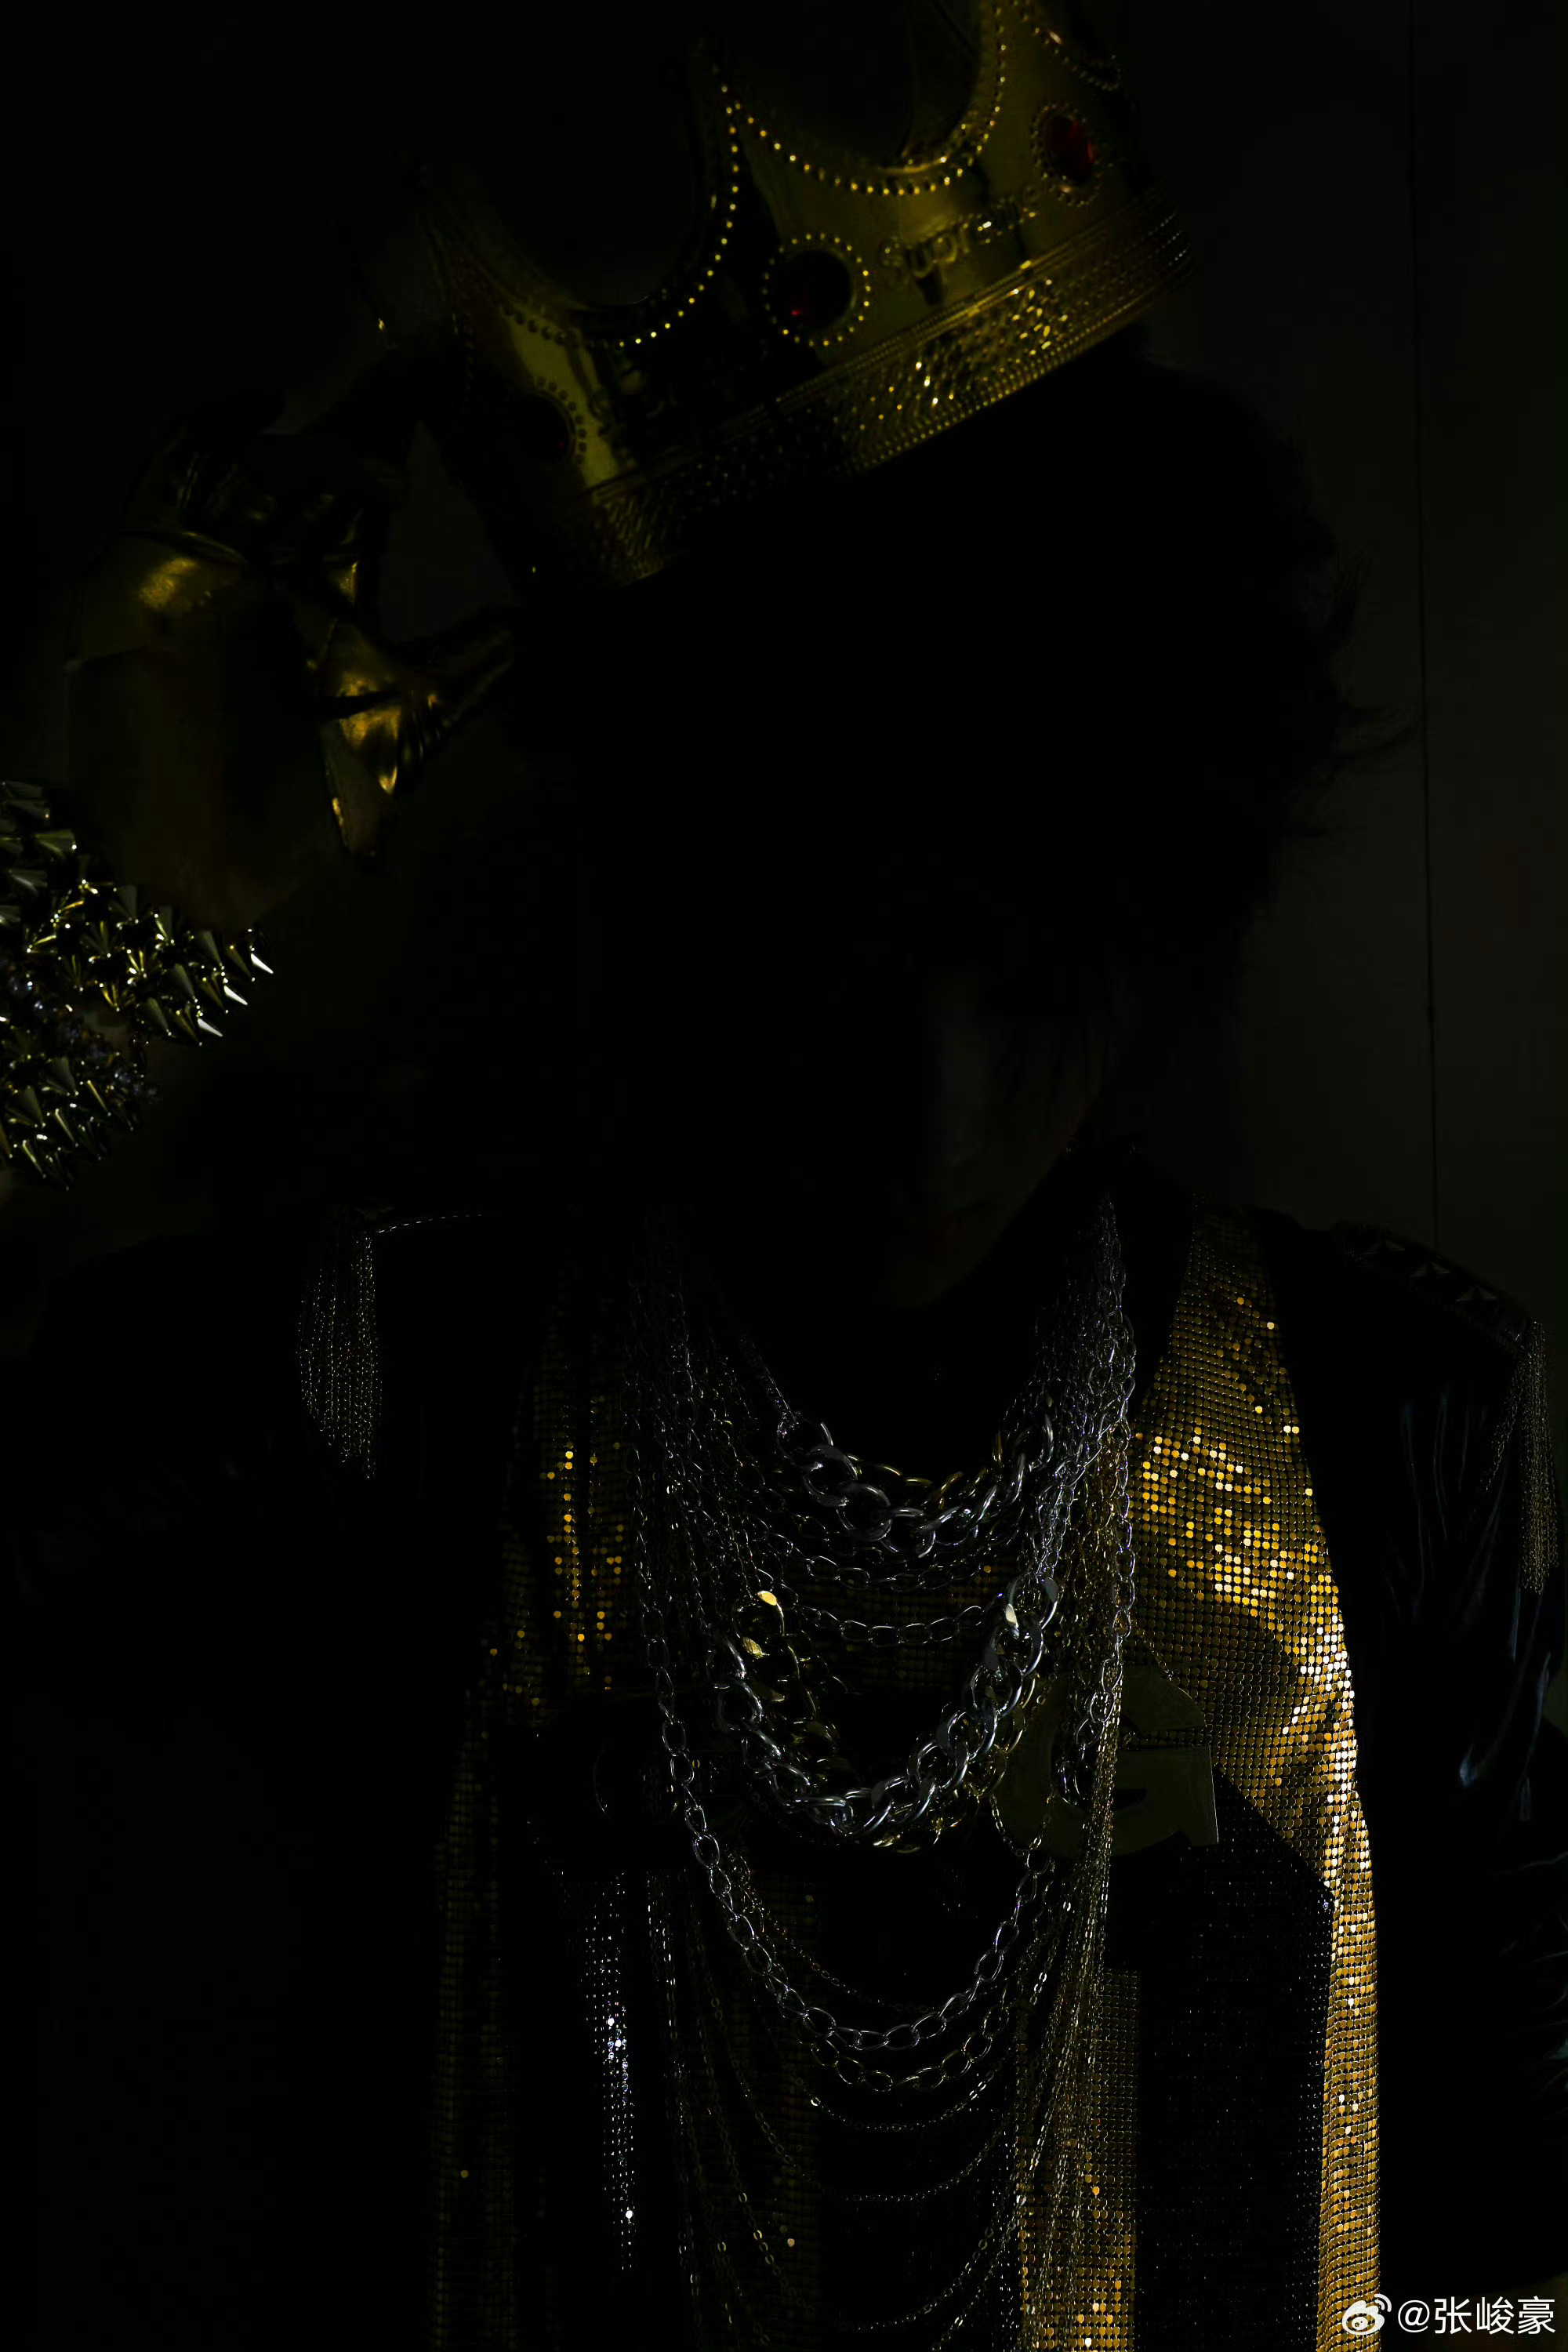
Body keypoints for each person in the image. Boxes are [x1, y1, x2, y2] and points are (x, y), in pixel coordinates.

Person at [2, 4, 1563, 2347]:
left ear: (1146, 923)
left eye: (1013, 965)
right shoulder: (424, 1365)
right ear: (682, 926)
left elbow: (1496, 2213)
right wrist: (82, 932)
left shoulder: (1386, 1411)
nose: (931, 1095)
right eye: (828, 963)